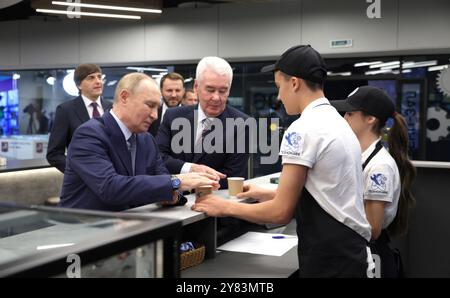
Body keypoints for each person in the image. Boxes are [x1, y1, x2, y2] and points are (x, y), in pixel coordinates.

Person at [192, 45, 373, 278]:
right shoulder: (337, 123)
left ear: (295, 83)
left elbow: (280, 213)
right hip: (350, 251)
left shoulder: (303, 128)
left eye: (279, 87)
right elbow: (325, 191)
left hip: (329, 259)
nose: (278, 96)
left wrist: (223, 206)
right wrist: (267, 193)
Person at [59, 73, 219, 211]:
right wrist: (177, 181)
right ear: (124, 97)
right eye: (149, 105)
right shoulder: (89, 134)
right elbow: (110, 188)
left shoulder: (146, 139)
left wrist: (172, 194)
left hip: (132, 230)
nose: (155, 115)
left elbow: (164, 183)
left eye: (157, 108)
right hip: (85, 233)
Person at [331, 86, 416, 277]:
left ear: (370, 119)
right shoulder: (358, 157)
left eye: (350, 113)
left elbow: (373, 228)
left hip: (370, 257)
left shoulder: (380, 166)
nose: (344, 118)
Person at [156, 56, 250, 189]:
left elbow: (233, 176)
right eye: (210, 90)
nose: (216, 97)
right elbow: (158, 157)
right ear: (196, 87)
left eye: (223, 91)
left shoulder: (241, 124)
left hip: (215, 201)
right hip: (172, 198)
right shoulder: (173, 116)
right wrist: (190, 169)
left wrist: (196, 183)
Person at [46, 63, 112, 173]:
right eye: (91, 78)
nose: (98, 81)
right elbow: (54, 154)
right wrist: (78, 173)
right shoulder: (65, 110)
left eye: (99, 77)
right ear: (79, 85)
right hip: (82, 183)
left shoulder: (112, 108)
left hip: (112, 178)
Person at [148, 72, 185, 136]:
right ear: (161, 91)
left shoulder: (194, 114)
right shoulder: (150, 114)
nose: (174, 95)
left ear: (183, 91)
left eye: (178, 90)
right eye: (169, 90)